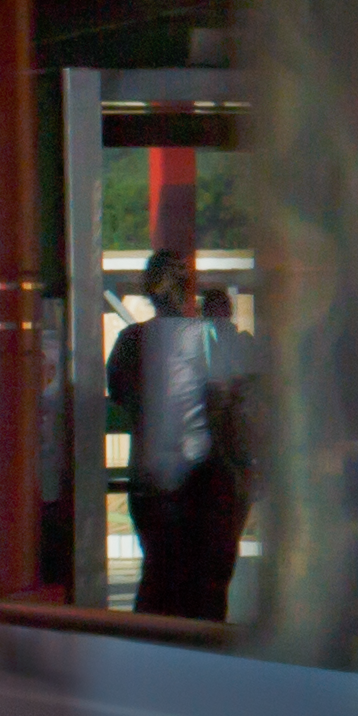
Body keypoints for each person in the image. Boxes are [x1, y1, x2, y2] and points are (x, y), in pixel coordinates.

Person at [112, 253, 264, 624]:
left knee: (159, 579)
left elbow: (121, 392)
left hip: (153, 482)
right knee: (209, 589)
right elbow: (247, 388)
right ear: (188, 291)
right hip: (217, 480)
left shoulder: (132, 342)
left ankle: (155, 656)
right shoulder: (220, 338)